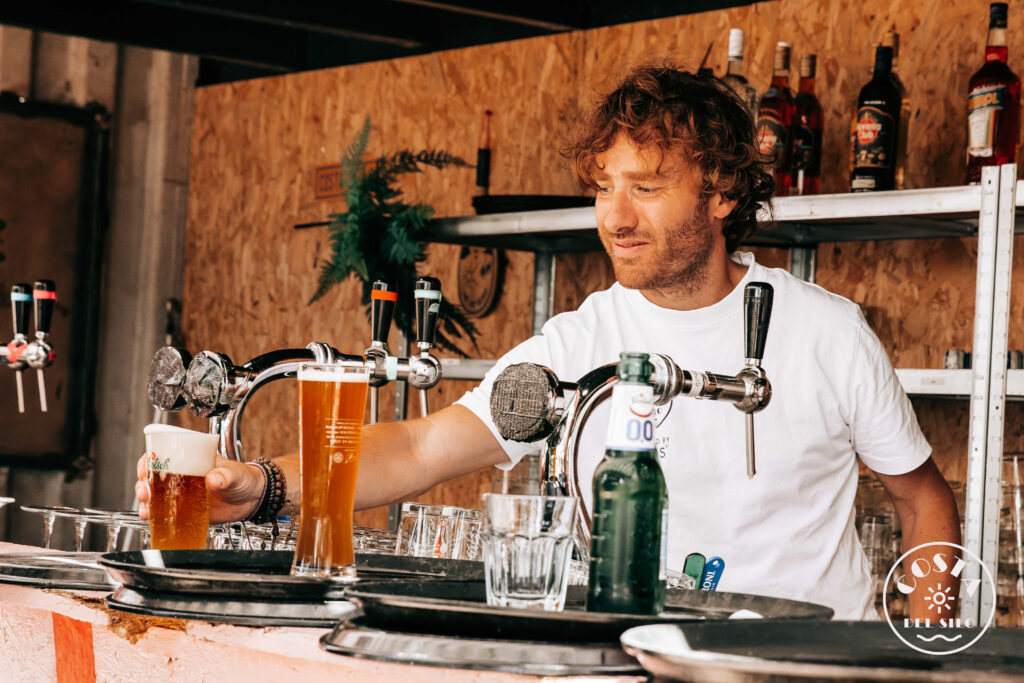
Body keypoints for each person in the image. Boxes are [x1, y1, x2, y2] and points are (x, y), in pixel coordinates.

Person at [136, 64, 959, 620]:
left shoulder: (825, 332)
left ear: (720, 193)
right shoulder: (581, 339)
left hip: (799, 668)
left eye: (646, 187)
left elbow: (922, 500)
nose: (616, 217)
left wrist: (928, 653)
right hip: (640, 662)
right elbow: (424, 444)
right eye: (604, 188)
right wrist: (264, 484)